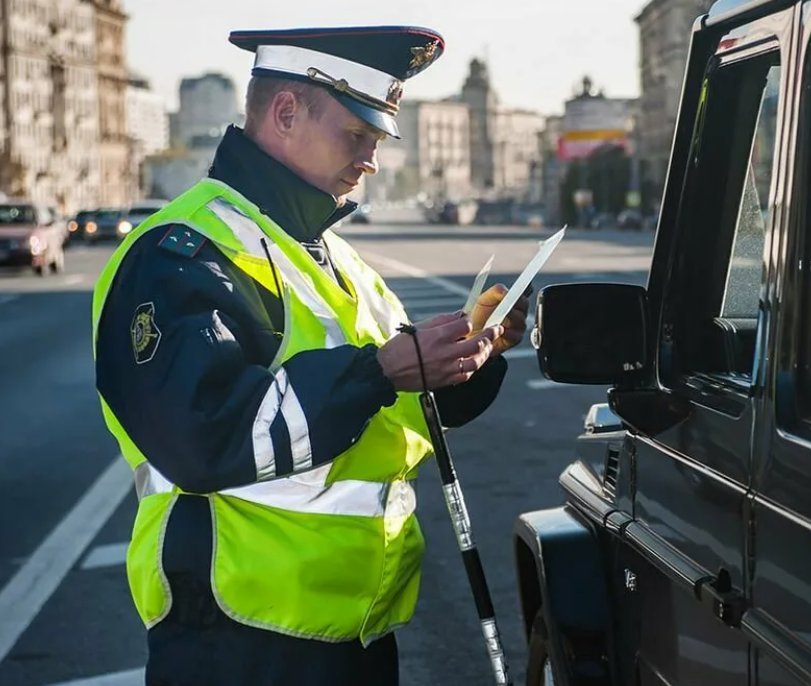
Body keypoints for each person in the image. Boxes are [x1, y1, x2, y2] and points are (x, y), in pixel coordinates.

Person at [90, 27, 530, 685]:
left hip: (352, 624)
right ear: (286, 113)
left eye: (378, 141)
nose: (371, 161)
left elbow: (408, 406)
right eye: (358, 136)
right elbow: (204, 438)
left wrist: (475, 350)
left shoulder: (332, 254)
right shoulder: (184, 250)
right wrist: (380, 369)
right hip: (241, 633)